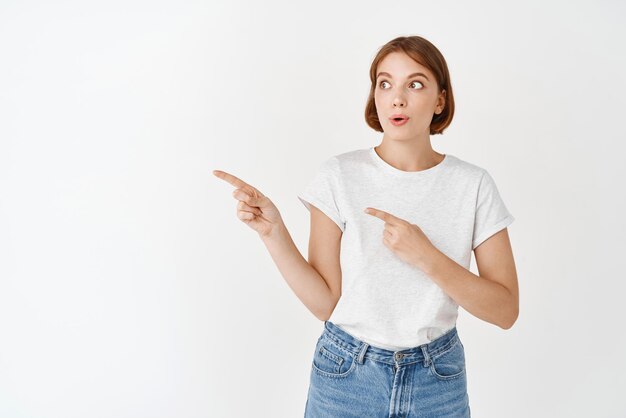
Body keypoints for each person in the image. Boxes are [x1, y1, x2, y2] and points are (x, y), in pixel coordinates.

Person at [213, 35, 518, 417]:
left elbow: (505, 311)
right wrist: (273, 231)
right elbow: (326, 303)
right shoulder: (340, 175)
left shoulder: (472, 185)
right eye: (385, 83)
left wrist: (426, 257)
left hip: (437, 381)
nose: (397, 98)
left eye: (416, 84)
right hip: (345, 376)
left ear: (440, 100)